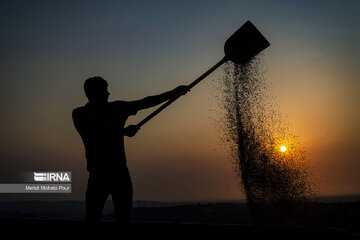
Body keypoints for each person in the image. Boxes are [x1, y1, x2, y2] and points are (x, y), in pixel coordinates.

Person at [72, 76, 189, 222]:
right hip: (99, 175)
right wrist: (123, 132)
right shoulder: (79, 114)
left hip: (118, 174)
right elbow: (95, 132)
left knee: (122, 218)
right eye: (105, 90)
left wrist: (173, 93)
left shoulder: (116, 108)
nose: (109, 94)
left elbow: (145, 102)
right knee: (92, 218)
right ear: (93, 94)